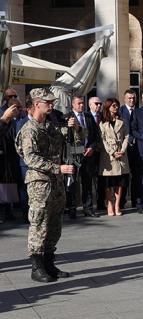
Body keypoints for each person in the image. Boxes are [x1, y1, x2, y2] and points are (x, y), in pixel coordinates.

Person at [15, 88, 83, 282]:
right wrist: (57, 168)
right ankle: (36, 267)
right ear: (37, 104)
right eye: (48, 102)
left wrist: (74, 127)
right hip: (40, 184)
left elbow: (68, 138)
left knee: (54, 224)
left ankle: (49, 262)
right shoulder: (30, 130)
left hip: (56, 184)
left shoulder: (50, 126)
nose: (52, 105)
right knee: (39, 223)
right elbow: (31, 158)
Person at [66, 95, 101, 218]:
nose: (81, 105)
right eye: (79, 103)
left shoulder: (88, 116)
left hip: (88, 155)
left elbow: (96, 135)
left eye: (83, 103)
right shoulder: (67, 117)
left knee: (87, 182)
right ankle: (72, 208)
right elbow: (66, 139)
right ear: (73, 105)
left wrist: (92, 147)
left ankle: (88, 208)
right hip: (73, 156)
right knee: (73, 183)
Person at [98, 98, 129, 216]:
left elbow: (126, 136)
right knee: (108, 183)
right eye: (114, 106)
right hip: (108, 157)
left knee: (120, 183)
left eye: (117, 105)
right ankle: (110, 203)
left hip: (121, 155)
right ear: (108, 107)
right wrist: (112, 152)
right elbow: (103, 139)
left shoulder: (122, 121)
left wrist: (122, 150)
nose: (116, 108)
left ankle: (117, 204)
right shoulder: (102, 123)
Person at [0, 91, 22, 222]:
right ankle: (6, 211)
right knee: (4, 182)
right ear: (5, 98)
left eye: (15, 96)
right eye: (11, 97)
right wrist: (5, 119)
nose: (14, 98)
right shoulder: (4, 112)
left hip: (13, 153)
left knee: (10, 182)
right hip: (4, 153)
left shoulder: (17, 112)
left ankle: (11, 209)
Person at [120, 89, 141, 209]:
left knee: (137, 175)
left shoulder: (139, 111)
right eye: (129, 98)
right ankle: (122, 201)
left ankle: (136, 200)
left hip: (138, 148)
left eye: (133, 98)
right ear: (125, 99)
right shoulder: (120, 111)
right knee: (124, 176)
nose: (132, 100)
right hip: (124, 148)